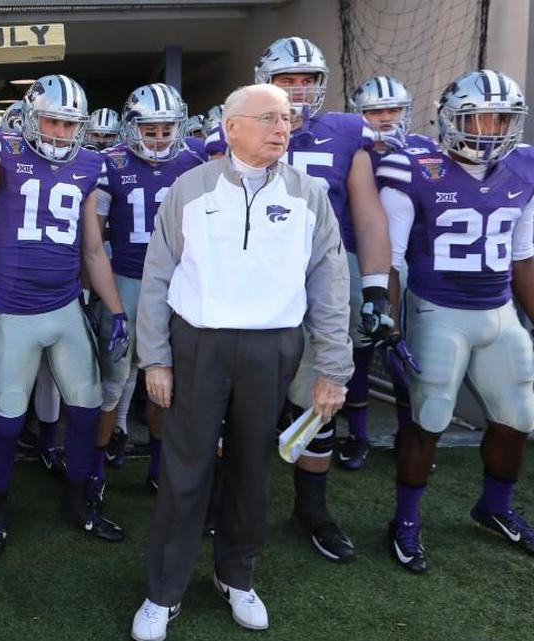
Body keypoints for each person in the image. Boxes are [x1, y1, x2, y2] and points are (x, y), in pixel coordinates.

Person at [130, 83, 351, 640]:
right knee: (186, 470)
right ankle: (164, 592)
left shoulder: (309, 194)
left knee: (253, 469)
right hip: (198, 345)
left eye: (288, 118)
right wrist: (155, 358)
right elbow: (157, 276)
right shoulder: (189, 188)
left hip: (272, 347)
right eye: (270, 118)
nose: (284, 127)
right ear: (231, 127)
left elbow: (329, 281)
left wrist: (333, 368)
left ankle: (237, 576)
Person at [0, 57, 131, 558]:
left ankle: (79, 502)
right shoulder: (4, 153)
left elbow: (91, 250)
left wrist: (117, 310)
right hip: (15, 313)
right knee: (7, 417)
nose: (62, 132)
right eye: (53, 120)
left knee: (84, 409)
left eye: (70, 123)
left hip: (64, 307)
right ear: (28, 118)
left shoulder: (89, 164)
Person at [377, 70, 534, 573]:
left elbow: (521, 253)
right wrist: (390, 328)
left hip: (499, 310)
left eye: (503, 118)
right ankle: (406, 521)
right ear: (449, 119)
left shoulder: (527, 167)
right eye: (480, 116)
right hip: (437, 309)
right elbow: (392, 259)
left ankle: (496, 507)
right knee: (431, 414)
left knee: (519, 416)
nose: (492, 128)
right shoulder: (411, 167)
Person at [253, 36, 393, 561]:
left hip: (321, 280)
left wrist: (375, 287)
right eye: (286, 80)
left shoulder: (344, 132)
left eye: (306, 79)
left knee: (318, 400)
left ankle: (311, 508)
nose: (297, 89)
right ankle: (230, 499)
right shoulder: (236, 124)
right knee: (242, 399)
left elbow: (369, 213)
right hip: (256, 282)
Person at [94, 82, 204, 500]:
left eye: (165, 129)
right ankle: (97, 472)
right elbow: (97, 237)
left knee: (165, 383)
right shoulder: (110, 163)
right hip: (126, 280)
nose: (158, 138)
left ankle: (158, 469)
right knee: (113, 381)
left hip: (177, 285)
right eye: (150, 129)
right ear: (131, 127)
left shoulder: (195, 161)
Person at [349, 74, 436, 447]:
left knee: (408, 347)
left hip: (414, 261)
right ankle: (358, 434)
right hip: (362, 257)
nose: (385, 117)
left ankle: (409, 433)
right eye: (375, 111)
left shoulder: (424, 149)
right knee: (364, 344)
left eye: (393, 109)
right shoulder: (352, 148)